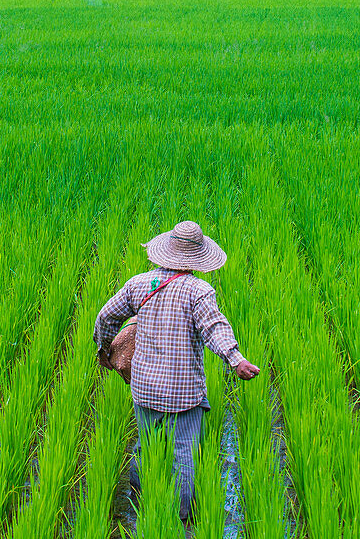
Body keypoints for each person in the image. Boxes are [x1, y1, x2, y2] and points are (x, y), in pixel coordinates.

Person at [93, 220, 261, 523]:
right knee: (184, 453)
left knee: (147, 445)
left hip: (144, 387)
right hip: (183, 392)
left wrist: (105, 350)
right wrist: (236, 360)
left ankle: (141, 501)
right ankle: (181, 517)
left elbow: (105, 317)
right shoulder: (199, 291)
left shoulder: (139, 283)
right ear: (198, 258)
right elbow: (214, 328)